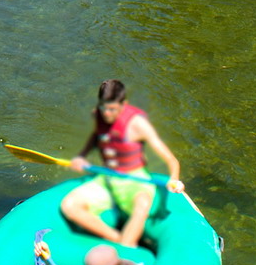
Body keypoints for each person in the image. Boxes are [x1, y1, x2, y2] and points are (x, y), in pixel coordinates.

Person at [62, 76, 184, 250]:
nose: (107, 113)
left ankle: (127, 251)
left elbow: (172, 160)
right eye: (103, 107)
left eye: (112, 109)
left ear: (124, 104)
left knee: (142, 205)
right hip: (108, 178)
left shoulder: (138, 125)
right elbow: (98, 136)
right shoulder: (98, 114)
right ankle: (118, 240)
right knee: (69, 205)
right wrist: (82, 156)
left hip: (136, 180)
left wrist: (174, 179)